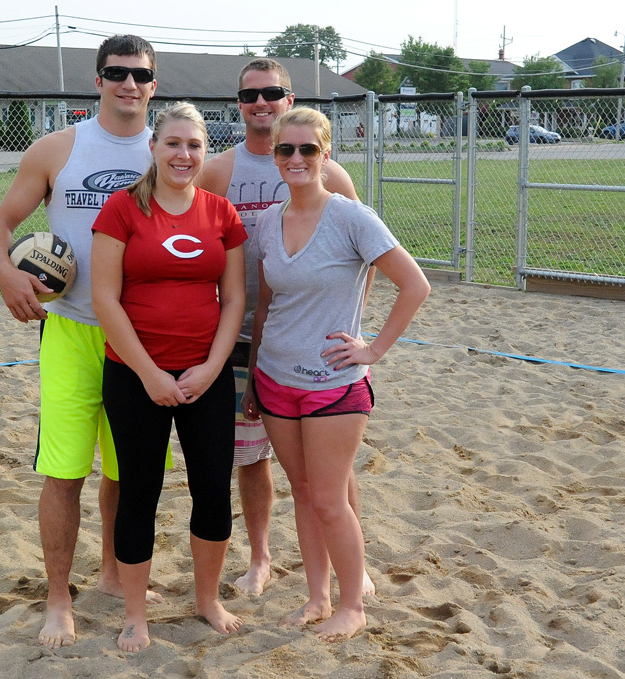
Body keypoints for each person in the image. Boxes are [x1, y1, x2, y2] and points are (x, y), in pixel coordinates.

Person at [0, 35, 165, 649]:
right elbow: (0, 227)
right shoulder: (57, 148)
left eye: (139, 75)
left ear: (154, 85)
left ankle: (114, 574)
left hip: (139, 337)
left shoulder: (170, 151)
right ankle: (58, 599)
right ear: (98, 81)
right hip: (70, 331)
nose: (128, 85)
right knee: (63, 472)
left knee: (127, 470)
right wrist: (9, 275)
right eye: (116, 73)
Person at [243, 107, 430, 641]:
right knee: (303, 494)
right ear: (274, 155)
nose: (296, 159)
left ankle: (353, 605)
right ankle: (318, 598)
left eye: (307, 149)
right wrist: (255, 375)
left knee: (328, 498)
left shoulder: (351, 216)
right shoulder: (268, 220)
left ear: (325, 155)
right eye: (285, 150)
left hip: (331, 383)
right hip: (277, 377)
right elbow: (267, 305)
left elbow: (414, 285)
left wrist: (372, 350)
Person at [198, 57, 376, 597]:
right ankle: (261, 557)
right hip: (244, 334)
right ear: (238, 103)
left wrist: (352, 328)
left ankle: (355, 567)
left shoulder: (331, 174)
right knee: (250, 456)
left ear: (289, 97)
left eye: (272, 92)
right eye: (250, 94)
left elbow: (363, 259)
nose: (261, 102)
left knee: (333, 467)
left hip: (316, 340)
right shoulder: (220, 171)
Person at [91, 102, 247, 652]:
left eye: (194, 146)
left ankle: (207, 599)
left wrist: (210, 367)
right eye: (173, 144)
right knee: (140, 491)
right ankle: (136, 613)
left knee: (211, 492)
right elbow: (104, 298)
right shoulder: (122, 209)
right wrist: (149, 372)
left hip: (205, 376)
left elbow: (234, 300)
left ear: (204, 152)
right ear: (154, 149)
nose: (184, 155)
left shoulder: (221, 213)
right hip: (136, 375)